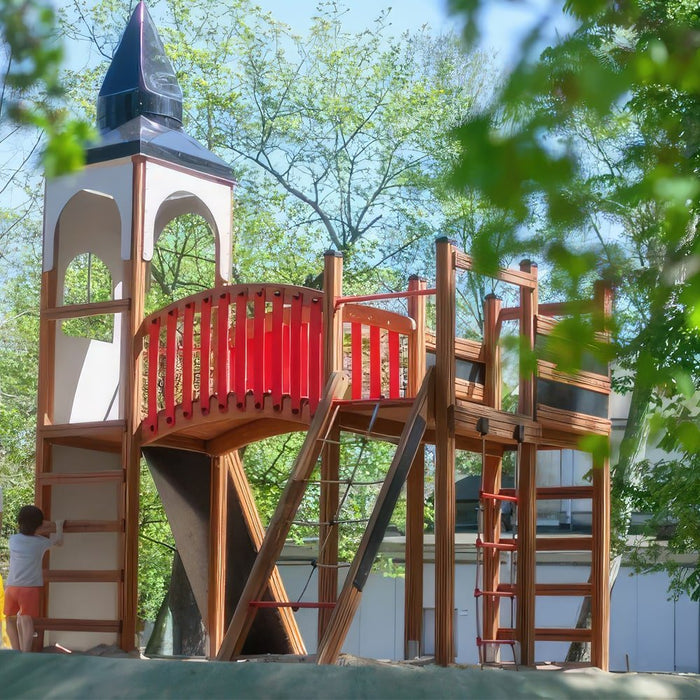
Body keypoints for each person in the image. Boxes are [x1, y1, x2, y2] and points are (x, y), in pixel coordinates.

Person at [4, 506, 64, 652]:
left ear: (19, 522)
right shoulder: (41, 543)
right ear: (39, 525)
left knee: (10, 619)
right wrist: (58, 525)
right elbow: (59, 542)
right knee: (26, 619)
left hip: (11, 587)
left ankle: (16, 651)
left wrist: (38, 526)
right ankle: (26, 653)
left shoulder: (13, 540)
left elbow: (30, 530)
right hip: (30, 588)